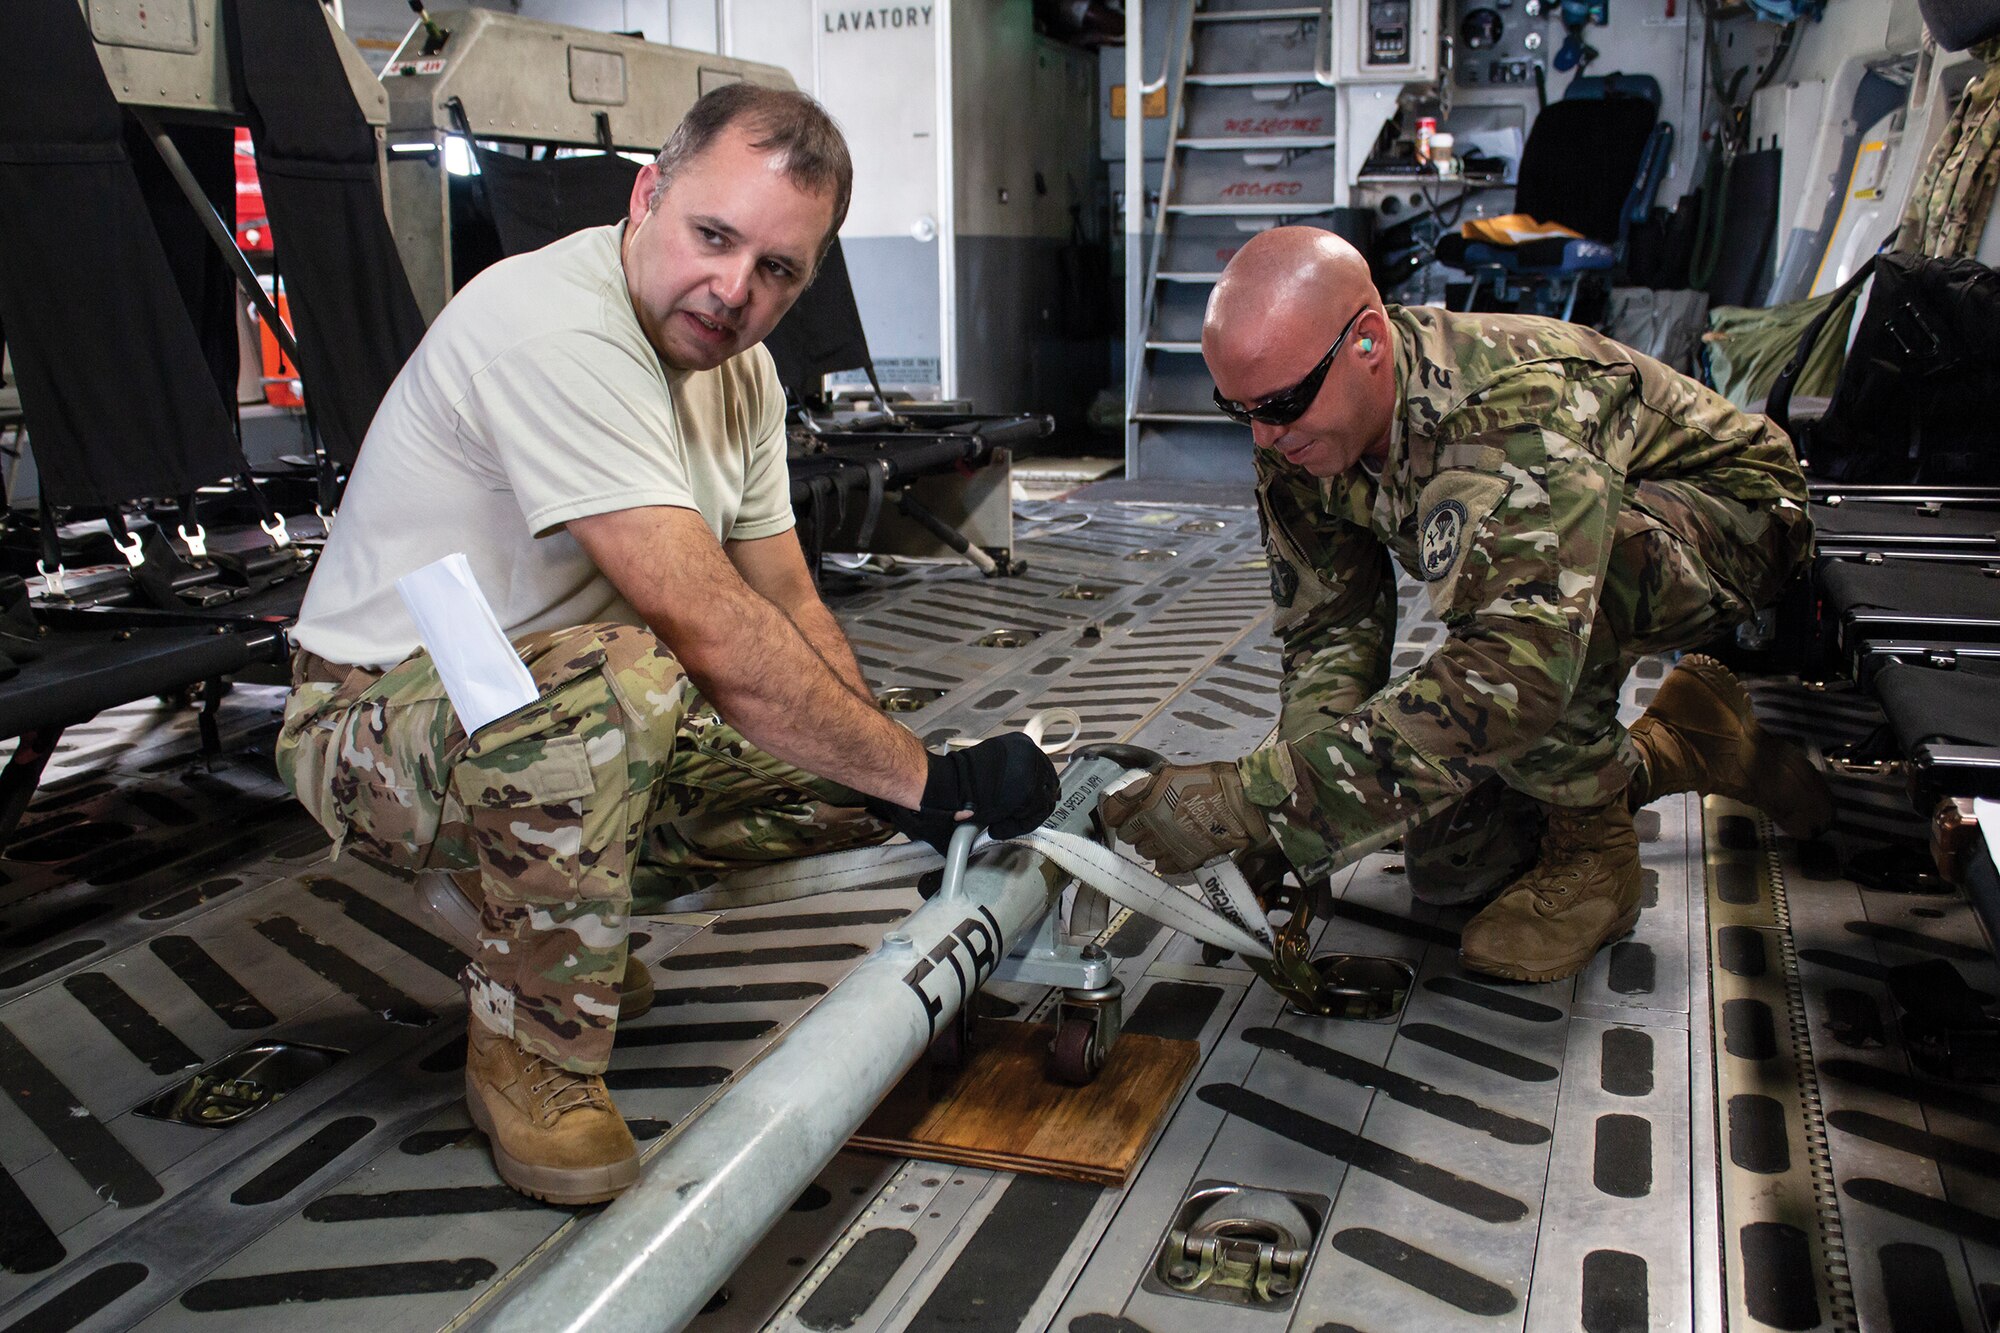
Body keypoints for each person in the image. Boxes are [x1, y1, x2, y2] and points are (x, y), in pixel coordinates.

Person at [274, 85, 1058, 1205]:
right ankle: (532, 1042)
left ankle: (557, 921)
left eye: (777, 269)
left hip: (555, 707)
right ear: (647, 196)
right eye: (713, 236)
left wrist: (896, 776)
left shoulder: (734, 372)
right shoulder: (557, 323)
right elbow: (701, 620)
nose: (734, 290)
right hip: (376, 716)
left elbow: (784, 596)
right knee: (638, 679)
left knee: (834, 757)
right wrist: (933, 784)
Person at [1103, 226, 1830, 984]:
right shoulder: (1294, 432)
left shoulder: (1508, 413)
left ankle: (1597, 859)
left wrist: (1261, 799)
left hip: (1737, 523)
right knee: (1450, 863)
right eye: (1239, 409)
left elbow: (1516, 671)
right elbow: (1331, 628)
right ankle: (1689, 740)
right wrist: (1292, 817)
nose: (1264, 433)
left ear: (1367, 344)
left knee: (1550, 594)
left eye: (1281, 402)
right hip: (1564, 583)